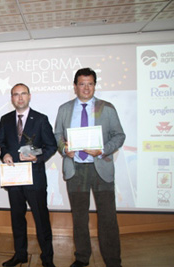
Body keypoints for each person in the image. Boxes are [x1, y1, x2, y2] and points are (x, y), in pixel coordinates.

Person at [54, 68, 125, 267]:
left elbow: (119, 136)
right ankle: (82, 257)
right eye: (82, 84)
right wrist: (64, 148)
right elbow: (57, 135)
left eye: (90, 84)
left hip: (100, 169)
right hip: (76, 169)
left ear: (94, 85)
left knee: (108, 218)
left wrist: (102, 150)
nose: (86, 88)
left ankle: (112, 261)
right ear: (75, 86)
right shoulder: (65, 109)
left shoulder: (106, 108)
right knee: (79, 217)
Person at [0, 83, 57, 267]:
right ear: (12, 98)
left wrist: (37, 158)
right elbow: (0, 144)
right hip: (14, 178)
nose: (20, 97)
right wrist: (4, 153)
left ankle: (47, 259)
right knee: (17, 219)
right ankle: (20, 254)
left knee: (41, 220)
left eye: (23, 94)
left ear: (29, 96)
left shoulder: (40, 119)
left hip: (35, 179)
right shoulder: (5, 119)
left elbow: (51, 146)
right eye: (16, 94)